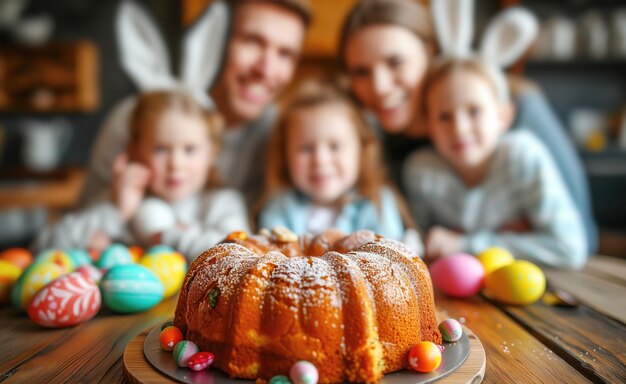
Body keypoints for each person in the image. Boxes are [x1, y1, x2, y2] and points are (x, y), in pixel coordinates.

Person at [339, 0, 598, 253]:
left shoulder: (518, 110)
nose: (379, 86)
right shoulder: (372, 141)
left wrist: (476, 243)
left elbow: (580, 237)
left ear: (431, 52)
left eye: (395, 62)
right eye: (361, 72)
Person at [402, 4, 587, 268]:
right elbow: (420, 243)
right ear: (428, 124)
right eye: (444, 117)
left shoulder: (523, 155)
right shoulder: (421, 171)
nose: (460, 128)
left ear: (503, 116)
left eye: (474, 111)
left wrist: (466, 244)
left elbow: (569, 247)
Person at [79, 0, 311, 209]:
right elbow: (82, 234)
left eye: (285, 54)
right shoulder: (138, 119)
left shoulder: (278, 133)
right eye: (252, 42)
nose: (266, 70)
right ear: (214, 42)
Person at [34, 91, 249, 262]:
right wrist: (116, 212)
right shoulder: (121, 201)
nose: (176, 163)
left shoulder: (221, 203)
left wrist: (165, 235)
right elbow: (41, 249)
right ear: (135, 150)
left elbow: (240, 256)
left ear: (212, 154)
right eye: (161, 149)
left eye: (190, 150)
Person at [257, 80, 421, 251]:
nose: (320, 159)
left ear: (361, 150)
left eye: (335, 146)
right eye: (306, 148)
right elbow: (271, 259)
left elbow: (389, 259)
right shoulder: (279, 208)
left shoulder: (377, 203)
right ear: (285, 155)